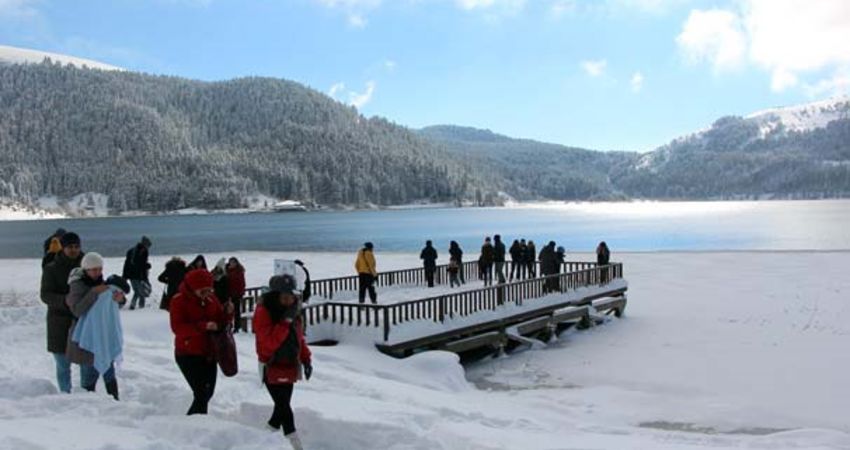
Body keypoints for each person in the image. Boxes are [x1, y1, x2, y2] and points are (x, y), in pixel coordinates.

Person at [253, 274, 312, 450]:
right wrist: (284, 323)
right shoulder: (264, 312)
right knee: (283, 407)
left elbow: (299, 339)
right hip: (270, 364)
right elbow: (268, 344)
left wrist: (306, 359)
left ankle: (262, 440)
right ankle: (295, 444)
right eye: (284, 296)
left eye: (291, 296)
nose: (288, 300)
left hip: (289, 365)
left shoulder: (293, 311)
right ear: (275, 296)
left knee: (281, 409)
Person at [169, 269, 233, 415]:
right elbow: (177, 328)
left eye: (209, 290)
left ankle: (194, 422)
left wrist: (228, 313)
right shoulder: (178, 300)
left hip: (209, 353)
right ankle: (196, 424)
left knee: (208, 392)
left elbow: (221, 321)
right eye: (203, 291)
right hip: (187, 354)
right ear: (193, 288)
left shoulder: (211, 299)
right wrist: (202, 326)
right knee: (201, 394)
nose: (207, 293)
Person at [65, 252, 125, 400]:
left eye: (100, 269)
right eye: (94, 270)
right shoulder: (77, 286)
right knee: (88, 378)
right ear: (86, 270)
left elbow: (111, 305)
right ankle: (89, 406)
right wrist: (93, 292)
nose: (98, 272)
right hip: (86, 339)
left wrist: (120, 299)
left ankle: (116, 402)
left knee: (109, 374)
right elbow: (77, 310)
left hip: (103, 337)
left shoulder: (103, 284)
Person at [40, 232, 84, 393]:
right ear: (63, 248)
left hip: (82, 319)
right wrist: (65, 301)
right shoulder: (51, 268)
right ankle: (65, 394)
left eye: (76, 246)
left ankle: (88, 394)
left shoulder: (87, 266)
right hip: (59, 321)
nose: (74, 250)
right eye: (70, 247)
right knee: (63, 363)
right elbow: (45, 295)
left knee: (86, 361)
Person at [123, 236, 152, 310]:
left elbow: (126, 264)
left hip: (131, 275)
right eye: (148, 246)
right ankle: (138, 305)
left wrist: (125, 275)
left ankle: (138, 305)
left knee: (138, 290)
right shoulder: (143, 252)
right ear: (146, 244)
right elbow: (140, 264)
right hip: (139, 275)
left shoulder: (131, 251)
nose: (148, 248)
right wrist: (147, 266)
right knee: (140, 291)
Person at [226, 257, 246, 332]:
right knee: (228, 310)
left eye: (234, 262)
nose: (232, 264)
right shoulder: (226, 270)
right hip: (228, 293)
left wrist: (241, 292)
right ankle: (229, 325)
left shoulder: (239, 271)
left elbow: (242, 283)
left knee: (236, 311)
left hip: (236, 293)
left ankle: (237, 326)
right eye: (231, 262)